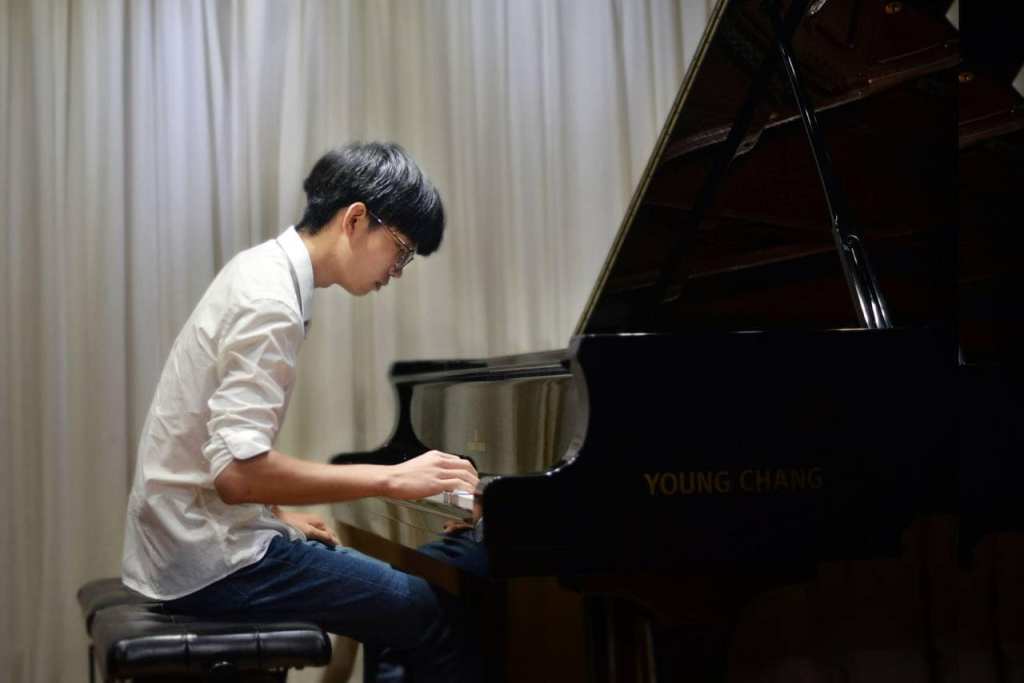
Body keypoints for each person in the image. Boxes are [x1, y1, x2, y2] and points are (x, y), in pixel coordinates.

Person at [121, 142, 480, 682]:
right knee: (431, 616)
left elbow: (222, 442)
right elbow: (237, 475)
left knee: (398, 607)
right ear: (355, 219)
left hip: (183, 540)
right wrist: (392, 478)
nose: (398, 271)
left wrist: (276, 514)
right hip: (208, 563)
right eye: (402, 250)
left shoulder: (261, 270)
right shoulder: (271, 301)